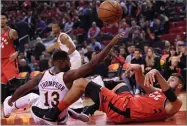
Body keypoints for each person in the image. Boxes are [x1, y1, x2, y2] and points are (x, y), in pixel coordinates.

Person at [4, 32, 125, 124]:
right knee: (63, 104)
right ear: (61, 62)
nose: (71, 64)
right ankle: (75, 115)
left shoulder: (41, 75)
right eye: (68, 61)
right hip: (59, 118)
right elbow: (93, 63)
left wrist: (11, 100)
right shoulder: (67, 76)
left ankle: (9, 107)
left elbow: (22, 89)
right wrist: (111, 44)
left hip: (40, 116)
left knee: (32, 97)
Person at [32, 64, 184, 123]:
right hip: (127, 103)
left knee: (81, 82)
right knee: (121, 85)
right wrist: (138, 69)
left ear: (181, 85)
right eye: (168, 78)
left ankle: (54, 112)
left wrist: (157, 73)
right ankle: (89, 109)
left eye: (171, 80)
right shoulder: (159, 92)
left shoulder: (174, 103)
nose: (168, 80)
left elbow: (170, 94)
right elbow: (141, 83)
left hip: (123, 109)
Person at [47, 22, 83, 108]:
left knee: (71, 79)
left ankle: (77, 101)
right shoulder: (58, 38)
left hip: (74, 58)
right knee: (67, 79)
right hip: (69, 59)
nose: (53, 29)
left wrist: (64, 58)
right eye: (52, 28)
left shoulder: (63, 37)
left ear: (59, 28)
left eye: (55, 27)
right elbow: (62, 50)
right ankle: (73, 100)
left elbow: (73, 48)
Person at [1, 12, 20, 102]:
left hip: (10, 59)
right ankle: (2, 105)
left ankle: (23, 101)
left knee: (14, 81)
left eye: (4, 18)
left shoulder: (12, 32)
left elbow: (19, 45)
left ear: (7, 20)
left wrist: (17, 52)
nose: (1, 21)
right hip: (1, 61)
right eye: (0, 18)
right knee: (2, 84)